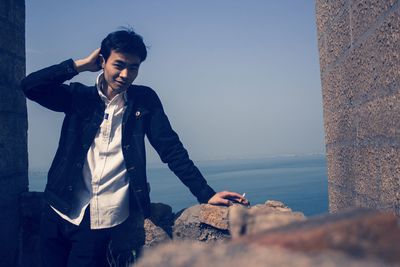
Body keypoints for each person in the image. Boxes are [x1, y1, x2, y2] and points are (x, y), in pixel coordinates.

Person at [21, 29, 249, 267]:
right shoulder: (79, 98)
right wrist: (78, 65)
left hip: (101, 219)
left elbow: (171, 150)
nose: (125, 74)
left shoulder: (144, 101)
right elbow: (30, 86)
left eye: (134, 67)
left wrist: (206, 193)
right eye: (119, 65)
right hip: (58, 209)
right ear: (102, 61)